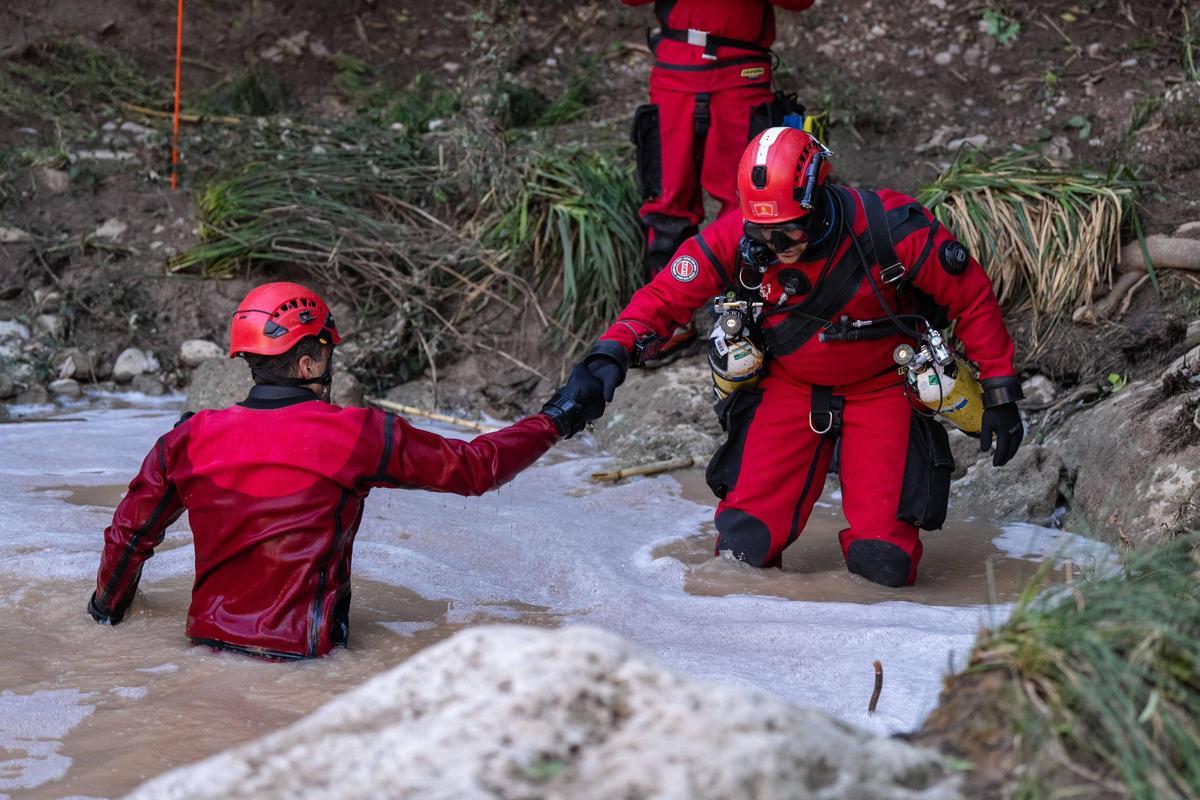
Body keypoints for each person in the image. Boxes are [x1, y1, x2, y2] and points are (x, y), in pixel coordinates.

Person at [574, 128, 1025, 587]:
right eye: (761, 232)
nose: (776, 244)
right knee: (739, 555)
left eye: (789, 229)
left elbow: (971, 298)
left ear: (819, 200)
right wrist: (611, 352)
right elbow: (666, 295)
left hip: (883, 388)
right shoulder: (737, 237)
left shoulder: (893, 228)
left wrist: (1001, 392)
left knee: (884, 564)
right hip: (788, 387)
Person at [87, 281, 603, 659]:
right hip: (306, 665)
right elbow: (477, 469)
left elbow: (128, 536)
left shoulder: (186, 437)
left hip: (204, 654)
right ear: (310, 364)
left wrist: (105, 614)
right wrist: (558, 418)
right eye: (327, 353)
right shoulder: (359, 433)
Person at [624, 0, 815, 362]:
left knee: (748, 202)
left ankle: (743, 318)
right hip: (675, 68)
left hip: (742, 74)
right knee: (666, 200)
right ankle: (668, 323)